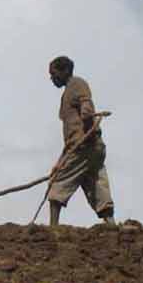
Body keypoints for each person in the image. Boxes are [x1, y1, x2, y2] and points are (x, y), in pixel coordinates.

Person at [46, 55, 113, 226]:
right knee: (95, 184)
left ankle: (53, 228)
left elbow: (86, 105)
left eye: (54, 74)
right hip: (88, 146)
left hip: (84, 146)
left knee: (58, 182)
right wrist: (59, 162)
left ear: (66, 70)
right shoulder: (69, 91)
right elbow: (71, 138)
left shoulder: (76, 84)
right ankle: (111, 224)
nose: (52, 78)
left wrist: (87, 116)